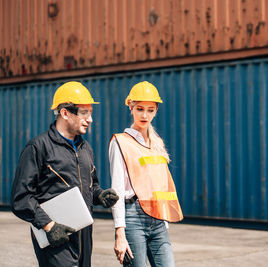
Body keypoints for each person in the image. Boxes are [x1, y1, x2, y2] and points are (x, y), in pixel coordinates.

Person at [11, 81, 119, 267]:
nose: (90, 119)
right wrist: (49, 226)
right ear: (65, 113)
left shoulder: (86, 149)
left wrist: (100, 195)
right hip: (54, 235)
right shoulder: (38, 147)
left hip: (84, 233)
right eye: (84, 113)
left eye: (90, 113)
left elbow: (89, 186)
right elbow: (21, 198)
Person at [109, 81, 183, 267]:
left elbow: (159, 185)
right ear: (131, 108)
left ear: (156, 111)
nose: (144, 115)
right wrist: (120, 233)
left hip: (157, 218)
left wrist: (164, 221)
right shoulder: (120, 142)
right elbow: (117, 189)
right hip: (132, 217)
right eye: (140, 108)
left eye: (150, 110)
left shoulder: (156, 142)